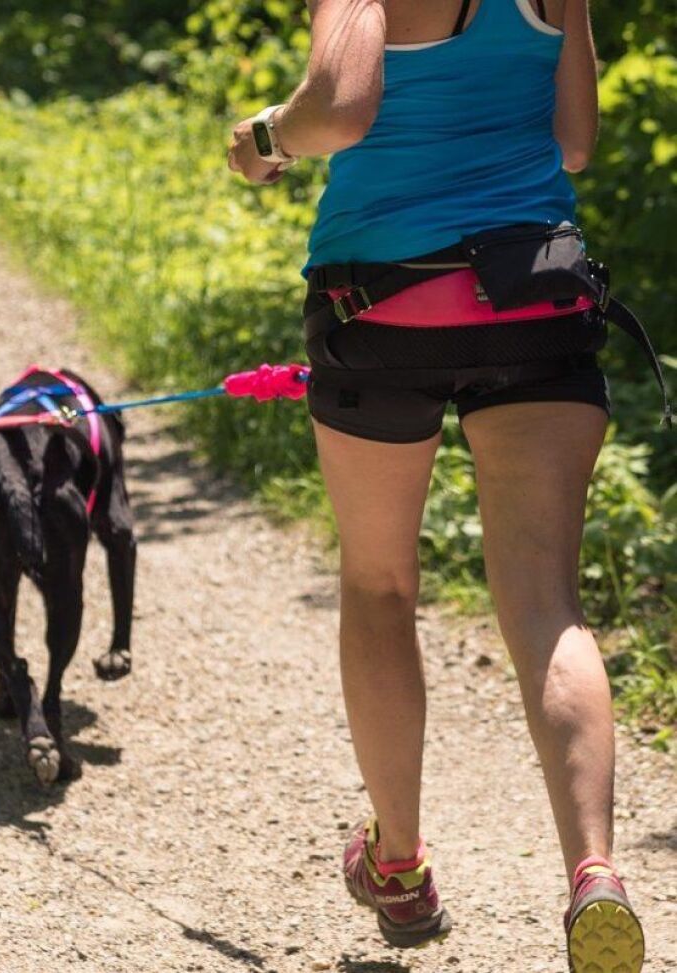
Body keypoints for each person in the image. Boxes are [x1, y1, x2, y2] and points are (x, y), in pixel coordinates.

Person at [228, 2, 646, 970]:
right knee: (545, 602)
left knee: (380, 584)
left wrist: (260, 140)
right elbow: (574, 145)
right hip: (536, 294)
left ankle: (401, 863)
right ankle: (594, 872)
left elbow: (337, 112)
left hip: (382, 304)